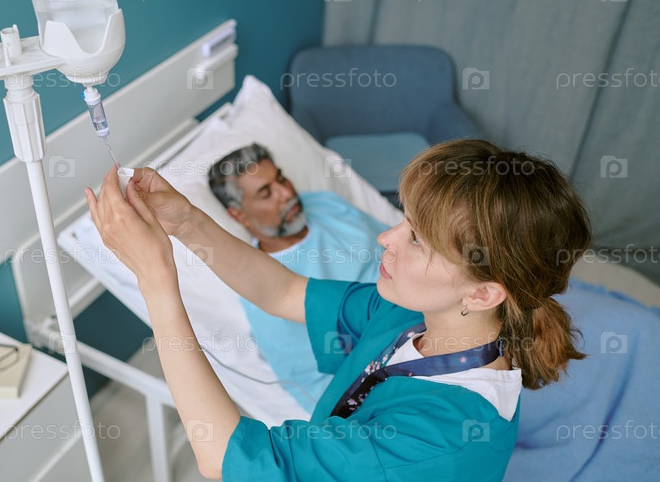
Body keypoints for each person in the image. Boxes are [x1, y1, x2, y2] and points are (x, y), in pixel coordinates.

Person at [85, 139, 591, 480]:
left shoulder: (440, 436)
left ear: (482, 294)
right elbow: (285, 292)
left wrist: (156, 280)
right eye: (404, 219)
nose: (386, 237)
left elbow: (224, 459)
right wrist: (185, 222)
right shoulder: (414, 317)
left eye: (416, 239)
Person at [208, 143, 395, 412]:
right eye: (266, 193)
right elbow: (315, 384)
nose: (287, 193)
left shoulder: (324, 203)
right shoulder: (262, 285)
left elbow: (400, 246)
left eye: (281, 178)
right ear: (239, 215)